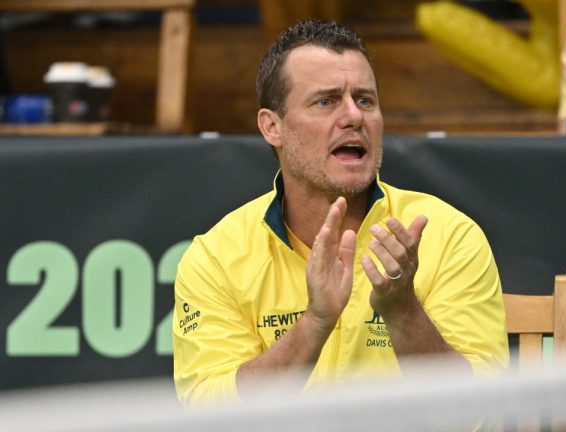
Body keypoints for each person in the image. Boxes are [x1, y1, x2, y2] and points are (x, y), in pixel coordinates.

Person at [172, 19, 509, 406]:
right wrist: (314, 324)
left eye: (365, 100)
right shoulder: (216, 256)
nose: (354, 116)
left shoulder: (447, 234)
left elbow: (483, 416)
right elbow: (208, 417)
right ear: (272, 127)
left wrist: (403, 312)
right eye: (326, 101)